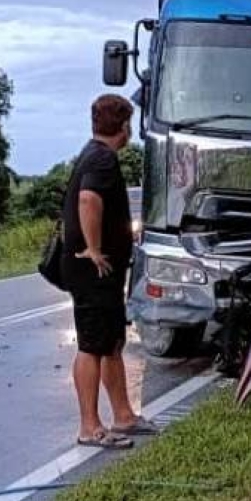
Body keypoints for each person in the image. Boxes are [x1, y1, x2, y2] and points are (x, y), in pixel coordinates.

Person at [61, 94, 158, 449]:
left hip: (103, 273)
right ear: (125, 126)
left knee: (111, 344)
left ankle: (124, 416)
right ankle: (90, 427)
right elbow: (88, 200)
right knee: (91, 345)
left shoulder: (94, 154)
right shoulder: (101, 160)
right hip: (92, 272)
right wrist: (94, 249)